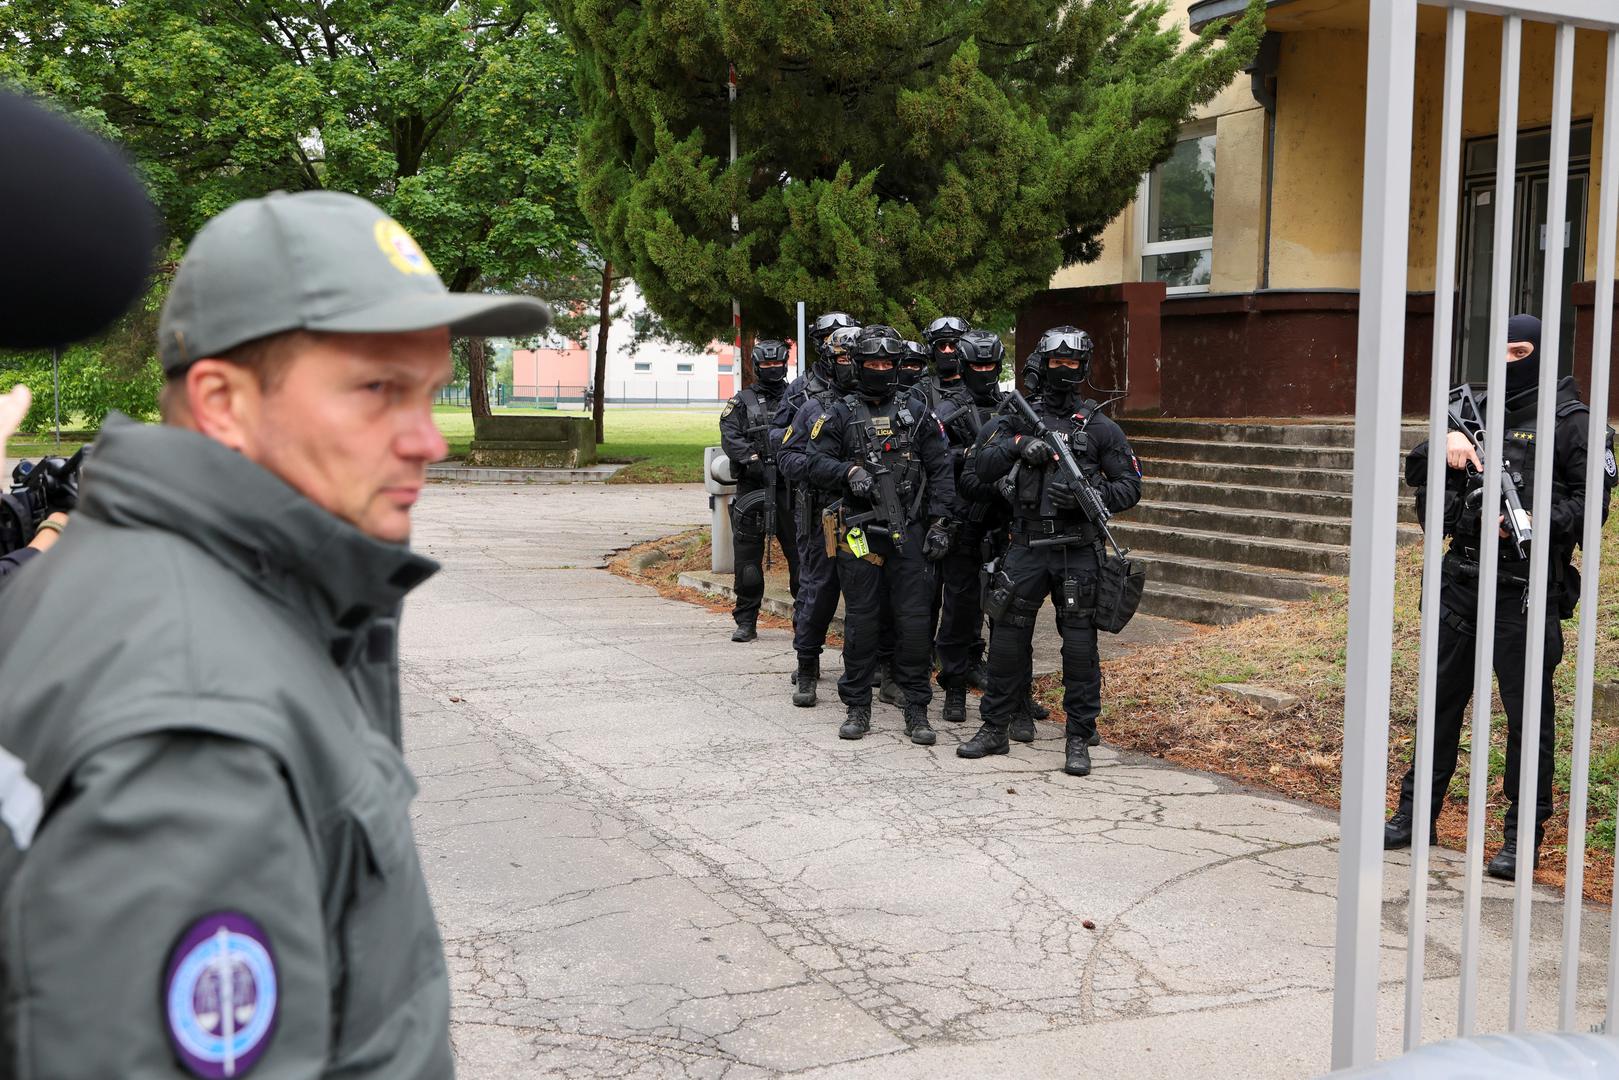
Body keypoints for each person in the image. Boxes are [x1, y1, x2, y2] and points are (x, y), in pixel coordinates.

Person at [0, 189, 551, 1077]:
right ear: (222, 400)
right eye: (378, 390)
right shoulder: (200, 725)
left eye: (432, 393)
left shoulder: (100, 568)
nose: (428, 440)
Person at [1386, 313, 1616, 880]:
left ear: (1543, 354)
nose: (1508, 364)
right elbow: (1416, 467)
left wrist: (1529, 523)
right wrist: (1446, 442)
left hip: (1525, 592)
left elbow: (1591, 511)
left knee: (1527, 719)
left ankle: (1521, 839)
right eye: (1502, 353)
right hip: (1460, 582)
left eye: (1519, 353)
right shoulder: (1473, 410)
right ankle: (1415, 815)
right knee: (1437, 704)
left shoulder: (1576, 425)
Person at [958, 326, 1142, 775]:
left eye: (1072, 363)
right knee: (1006, 640)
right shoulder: (1016, 417)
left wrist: (1089, 492)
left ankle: (1078, 735)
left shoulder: (1099, 426)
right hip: (1025, 544)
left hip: (1078, 549)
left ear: (1084, 367)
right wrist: (1021, 446)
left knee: (1079, 646)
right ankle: (995, 728)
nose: (1064, 370)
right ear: (1043, 362)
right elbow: (979, 466)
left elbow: (1131, 486)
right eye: (1056, 362)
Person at [799, 325, 956, 744]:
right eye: (873, 363)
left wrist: (941, 522)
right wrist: (849, 471)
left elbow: (941, 469)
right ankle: (857, 706)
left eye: (889, 363)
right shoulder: (837, 412)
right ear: (860, 365)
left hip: (910, 529)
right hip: (859, 532)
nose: (882, 369)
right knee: (862, 622)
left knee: (914, 622)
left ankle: (917, 708)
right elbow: (813, 462)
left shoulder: (918, 410)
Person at [777, 319, 861, 707]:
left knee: (869, 598)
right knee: (817, 594)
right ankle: (807, 666)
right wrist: (821, 467)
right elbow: (787, 455)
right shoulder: (813, 406)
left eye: (855, 357)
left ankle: (870, 669)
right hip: (821, 516)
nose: (850, 365)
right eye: (842, 358)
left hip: (867, 517)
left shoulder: (882, 406)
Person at [720, 338, 801, 641]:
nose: (771, 369)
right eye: (765, 365)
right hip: (752, 487)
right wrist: (750, 458)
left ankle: (803, 622)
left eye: (776, 364)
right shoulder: (741, 401)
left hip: (789, 489)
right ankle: (746, 619)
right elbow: (729, 434)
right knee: (747, 561)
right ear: (756, 366)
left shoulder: (798, 399)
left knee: (801, 560)